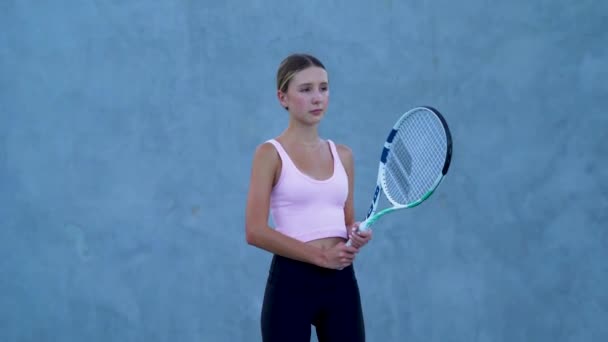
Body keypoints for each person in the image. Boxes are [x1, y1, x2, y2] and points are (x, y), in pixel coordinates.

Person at [245, 53, 372, 342]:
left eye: (323, 88)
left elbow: (346, 221)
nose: (318, 98)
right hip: (292, 282)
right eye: (305, 89)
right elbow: (254, 231)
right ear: (283, 97)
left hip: (340, 281)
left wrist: (355, 232)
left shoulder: (343, 156)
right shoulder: (269, 154)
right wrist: (320, 257)